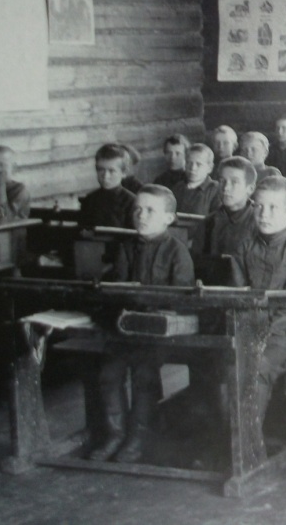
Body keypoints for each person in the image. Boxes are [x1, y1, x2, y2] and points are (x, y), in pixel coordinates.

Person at [85, 185, 194, 463]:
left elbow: (181, 298)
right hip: (128, 329)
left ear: (169, 218)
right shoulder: (126, 248)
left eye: (149, 211)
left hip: (161, 332)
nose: (141, 216)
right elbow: (119, 291)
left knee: (144, 376)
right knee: (108, 373)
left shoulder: (176, 251)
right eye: (137, 210)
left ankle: (138, 437)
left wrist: (146, 302)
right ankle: (115, 435)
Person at [229, 176, 286, 434]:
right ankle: (230, 438)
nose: (263, 214)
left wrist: (267, 332)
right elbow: (237, 295)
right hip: (249, 329)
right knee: (227, 365)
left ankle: (249, 446)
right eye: (258, 206)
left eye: (272, 208)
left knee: (257, 365)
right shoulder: (244, 247)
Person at [198, 155, 259, 259]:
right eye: (222, 181)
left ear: (250, 188)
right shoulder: (209, 222)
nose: (226, 187)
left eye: (234, 182)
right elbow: (199, 262)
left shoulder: (259, 222)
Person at [171, 143, 222, 247]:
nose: (192, 168)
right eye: (189, 163)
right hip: (175, 242)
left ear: (210, 168)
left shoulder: (216, 190)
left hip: (201, 245)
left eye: (199, 164)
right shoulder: (178, 188)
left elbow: (216, 225)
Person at [79, 143, 137, 230]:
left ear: (124, 173)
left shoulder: (131, 202)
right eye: (101, 170)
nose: (105, 176)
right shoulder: (89, 200)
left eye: (111, 171)